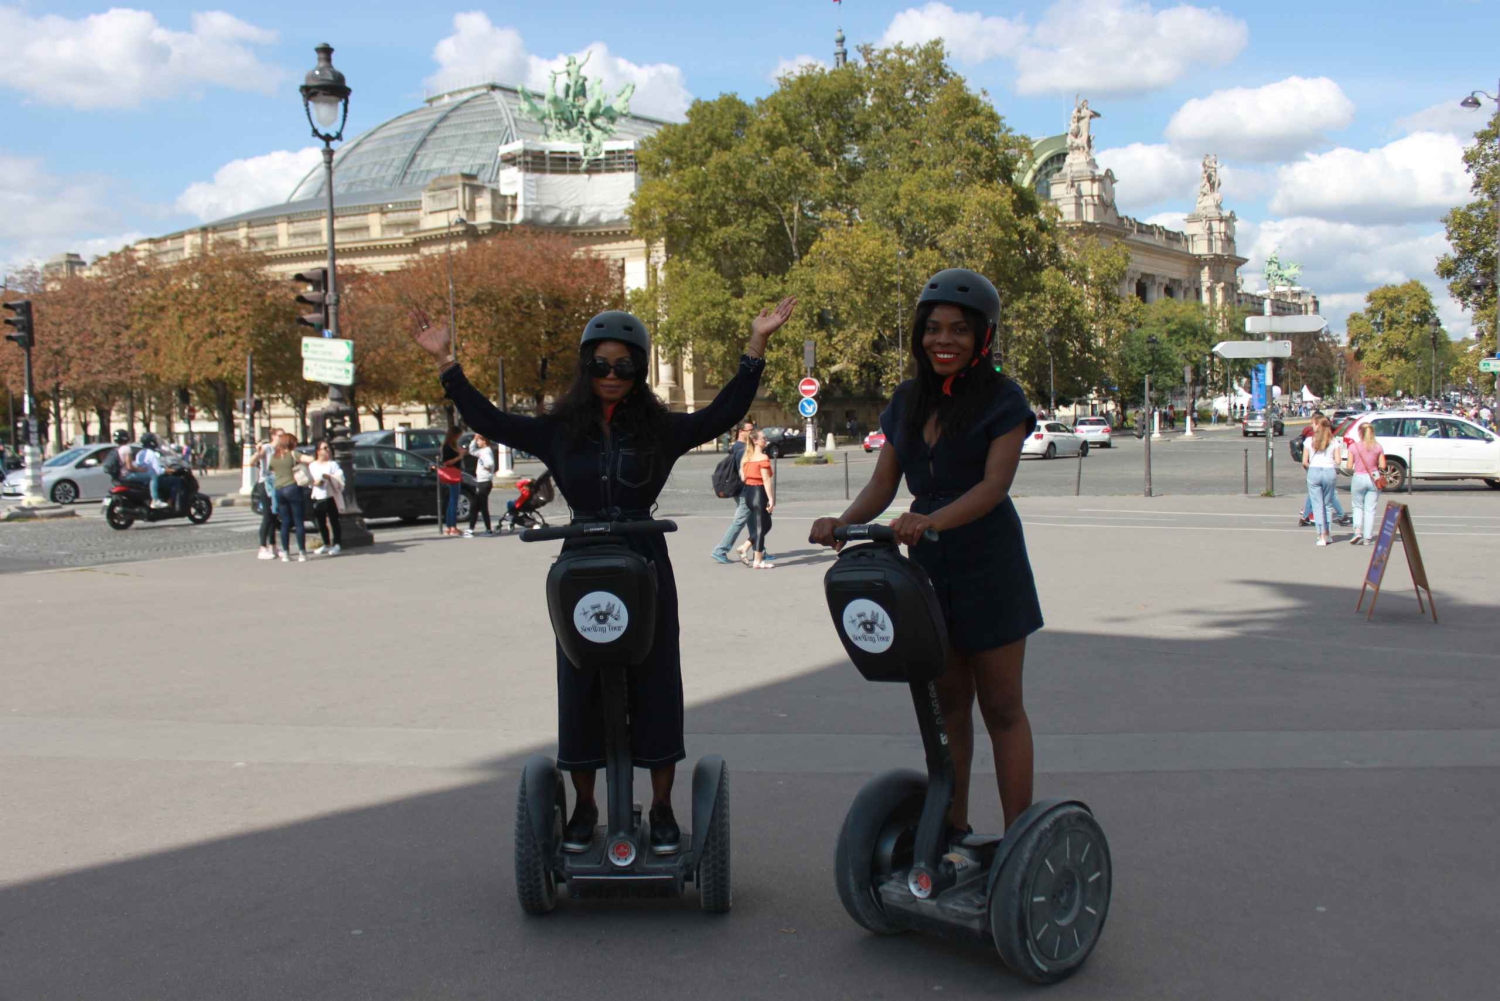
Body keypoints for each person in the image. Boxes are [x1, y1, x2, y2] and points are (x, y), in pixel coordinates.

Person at [410, 296, 796, 855]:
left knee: (657, 681)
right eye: (600, 365)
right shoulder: (559, 430)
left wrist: (756, 345)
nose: (611, 376)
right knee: (581, 682)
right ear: (585, 367)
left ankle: (662, 807)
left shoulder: (659, 430)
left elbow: (722, 412)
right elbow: (489, 420)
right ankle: (585, 804)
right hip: (582, 565)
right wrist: (446, 363)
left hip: (644, 559)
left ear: (638, 371)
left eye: (624, 366)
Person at [810, 269, 1041, 837]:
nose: (945, 340)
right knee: (949, 705)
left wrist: (930, 519)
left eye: (960, 330)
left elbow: (994, 487)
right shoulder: (908, 400)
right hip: (930, 568)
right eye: (934, 328)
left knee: (1002, 707)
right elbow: (885, 484)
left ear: (982, 337)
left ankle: (1018, 842)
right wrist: (843, 523)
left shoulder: (1003, 400)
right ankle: (953, 831)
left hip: (990, 562)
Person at [709, 421, 754, 564]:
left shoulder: (740, 447)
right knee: (740, 521)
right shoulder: (740, 448)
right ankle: (720, 550)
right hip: (744, 490)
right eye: (750, 430)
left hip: (742, 489)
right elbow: (744, 472)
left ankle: (761, 550)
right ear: (741, 431)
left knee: (753, 520)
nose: (752, 432)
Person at [269, 432, 314, 562]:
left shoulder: (274, 456)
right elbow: (310, 460)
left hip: (279, 490)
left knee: (285, 522)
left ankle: (286, 553)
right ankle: (302, 553)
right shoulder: (294, 454)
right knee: (299, 521)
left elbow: (271, 469)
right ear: (290, 443)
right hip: (293, 488)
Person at [1302, 416, 1343, 547]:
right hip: (1329, 471)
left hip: (1314, 471)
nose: (1312, 427)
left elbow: (1305, 461)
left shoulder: (1309, 440)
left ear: (1318, 426)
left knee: (1317, 505)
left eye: (1313, 424)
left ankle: (1321, 536)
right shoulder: (1334, 441)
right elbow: (1338, 461)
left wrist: (1311, 467)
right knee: (1327, 504)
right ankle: (1328, 533)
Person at [1345, 422, 1386, 546]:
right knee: (1370, 509)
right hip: (1374, 478)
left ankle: (1357, 532)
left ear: (1359, 433)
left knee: (1357, 506)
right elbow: (1383, 465)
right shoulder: (1378, 447)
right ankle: (1367, 537)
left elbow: (1348, 466)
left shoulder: (1354, 447)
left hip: (1359, 477)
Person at [740, 428, 776, 569]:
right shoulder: (763, 458)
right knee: (761, 527)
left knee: (766, 525)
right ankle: (758, 560)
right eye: (763, 438)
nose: (765, 440)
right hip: (758, 493)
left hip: (749, 493)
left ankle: (745, 546)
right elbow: (766, 480)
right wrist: (771, 499)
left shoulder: (747, 457)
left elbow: (743, 477)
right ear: (755, 441)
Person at [308, 439, 345, 555]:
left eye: (328, 448)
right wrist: (315, 483)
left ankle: (337, 544)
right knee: (321, 522)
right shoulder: (312, 465)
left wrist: (330, 478)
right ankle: (326, 544)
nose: (327, 450)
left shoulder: (332, 464)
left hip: (330, 496)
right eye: (324, 448)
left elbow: (339, 477)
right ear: (318, 451)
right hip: (317, 496)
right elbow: (309, 481)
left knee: (334, 521)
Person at [253, 433, 282, 561]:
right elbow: (255, 459)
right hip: (265, 483)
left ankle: (273, 545)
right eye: (279, 435)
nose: (282, 437)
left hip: (276, 483)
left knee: (273, 515)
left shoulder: (280, 450)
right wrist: (257, 453)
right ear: (273, 437)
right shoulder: (267, 447)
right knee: (267, 515)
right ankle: (262, 547)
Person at [464, 433, 497, 537]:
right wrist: (474, 439)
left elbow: (490, 463)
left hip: (484, 482)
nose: (477, 442)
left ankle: (474, 529)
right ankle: (477, 529)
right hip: (482, 482)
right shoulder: (483, 451)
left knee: (478, 506)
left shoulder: (486, 452)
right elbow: (472, 451)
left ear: (484, 441)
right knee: (478, 506)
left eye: (479, 440)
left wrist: (487, 467)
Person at [439, 425, 464, 537]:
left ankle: (450, 526)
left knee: (451, 501)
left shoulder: (451, 445)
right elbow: (446, 462)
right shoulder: (447, 447)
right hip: (452, 473)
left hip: (454, 473)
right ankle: (452, 527)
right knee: (454, 501)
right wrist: (459, 457)